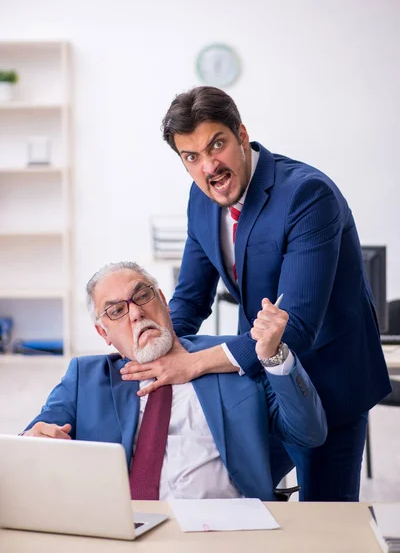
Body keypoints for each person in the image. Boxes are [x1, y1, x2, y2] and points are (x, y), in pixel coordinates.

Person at [120, 86, 390, 502]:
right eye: (191, 157)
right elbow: (191, 300)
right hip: (262, 380)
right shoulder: (202, 198)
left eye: (217, 145)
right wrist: (150, 352)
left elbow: (295, 328)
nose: (209, 166)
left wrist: (193, 364)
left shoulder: (307, 195)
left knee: (325, 525)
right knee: (235, 496)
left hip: (331, 381)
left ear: (241, 135)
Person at [21, 261, 327, 501]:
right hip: (123, 533)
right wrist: (39, 440)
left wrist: (274, 356)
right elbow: (29, 443)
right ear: (104, 334)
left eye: (142, 295)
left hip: (229, 529)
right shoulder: (84, 377)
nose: (136, 314)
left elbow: (309, 433)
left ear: (164, 301)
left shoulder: (230, 357)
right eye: (116, 310)